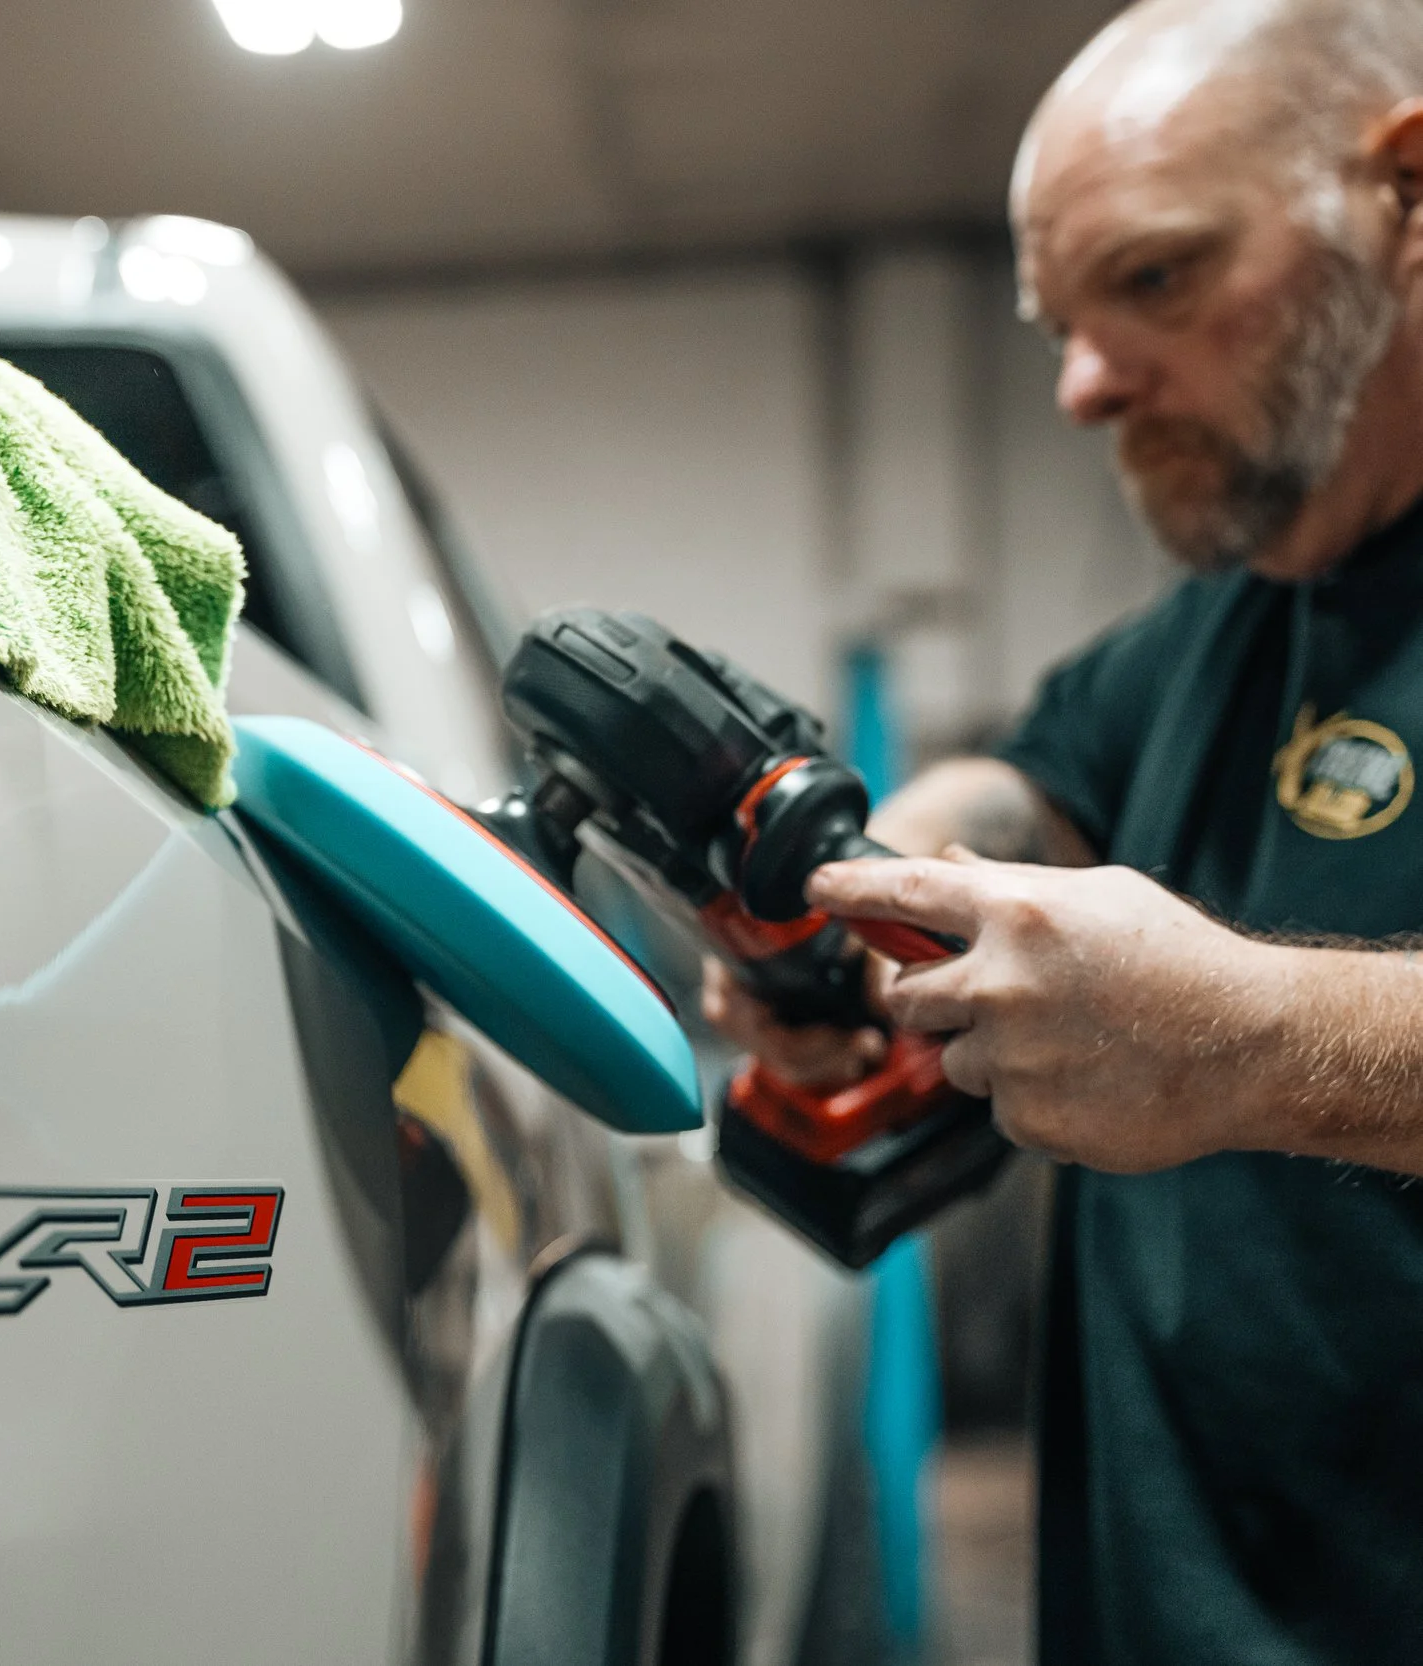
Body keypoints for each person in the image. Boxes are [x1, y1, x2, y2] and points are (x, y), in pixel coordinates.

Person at [700, 1, 1423, 1658]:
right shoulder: (1245, 604)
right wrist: (868, 892)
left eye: (1158, 280)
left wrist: (1249, 1038)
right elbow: (1033, 781)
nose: (1087, 385)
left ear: (1408, 192)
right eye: (1060, 322)